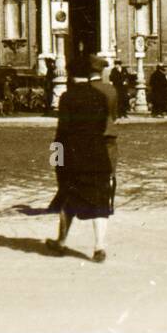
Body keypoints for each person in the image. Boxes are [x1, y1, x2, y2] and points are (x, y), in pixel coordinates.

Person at [47, 57, 114, 262]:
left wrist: (56, 159)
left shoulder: (67, 97)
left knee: (68, 199)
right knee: (101, 201)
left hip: (74, 158)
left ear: (69, 75)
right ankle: (99, 246)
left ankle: (61, 241)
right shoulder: (100, 96)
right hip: (98, 156)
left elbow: (62, 131)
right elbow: (103, 126)